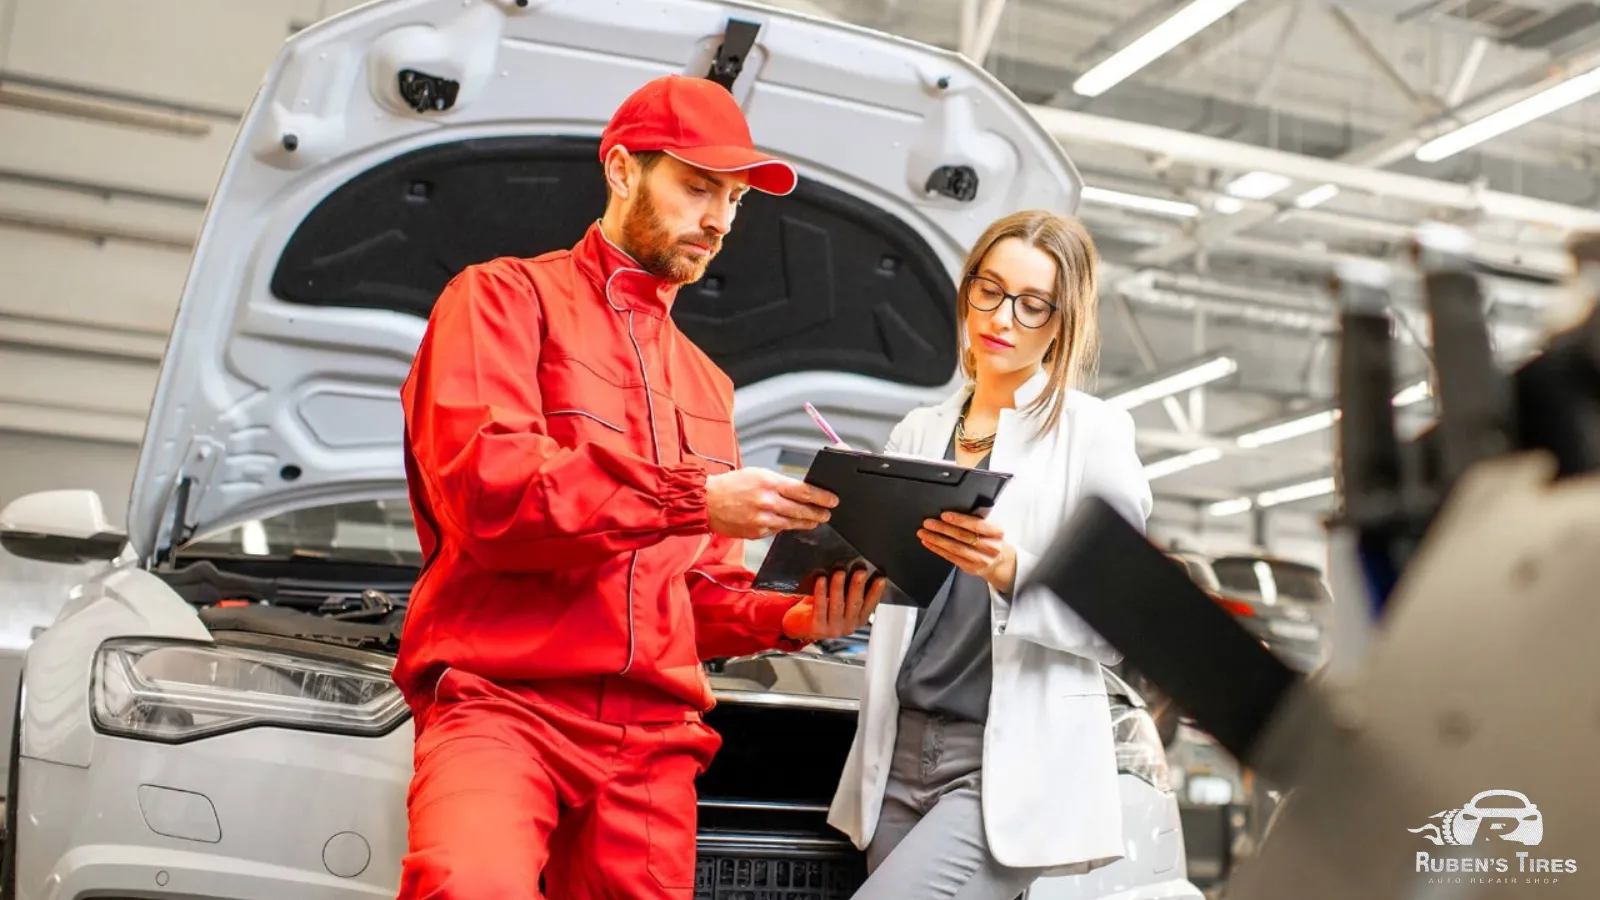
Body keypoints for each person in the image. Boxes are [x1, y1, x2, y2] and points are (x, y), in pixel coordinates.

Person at [394, 73, 887, 900]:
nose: (719, 221)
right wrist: (695, 497)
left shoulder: (706, 385)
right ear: (621, 170)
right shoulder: (500, 301)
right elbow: (492, 494)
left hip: (652, 745)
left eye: (734, 200)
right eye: (698, 188)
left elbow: (689, 597)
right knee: (466, 883)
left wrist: (791, 618)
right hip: (503, 704)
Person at [827, 209, 1154, 899]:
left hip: (1001, 769)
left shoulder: (1093, 435)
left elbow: (1128, 618)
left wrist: (1011, 571)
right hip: (898, 753)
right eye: (989, 289)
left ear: (1062, 323)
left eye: (1032, 305)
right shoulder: (919, 431)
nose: (1002, 316)